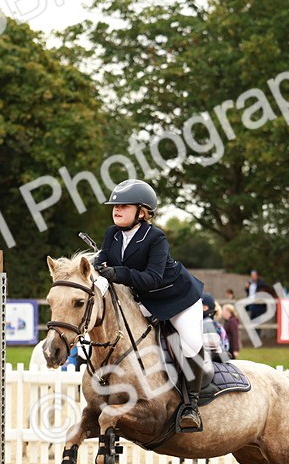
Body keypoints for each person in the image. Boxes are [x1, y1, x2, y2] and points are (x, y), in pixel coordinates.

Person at [93, 179, 208, 432]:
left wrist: (118, 272)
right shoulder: (112, 233)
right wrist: (97, 268)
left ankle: (191, 406)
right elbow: (103, 261)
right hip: (144, 301)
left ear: (142, 212)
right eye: (115, 206)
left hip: (177, 298)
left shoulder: (155, 237)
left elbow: (152, 278)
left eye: (124, 206)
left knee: (190, 342)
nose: (116, 209)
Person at [201, 292, 229, 359]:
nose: (200, 309)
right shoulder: (193, 324)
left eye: (203, 307)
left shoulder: (216, 327)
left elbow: (225, 346)